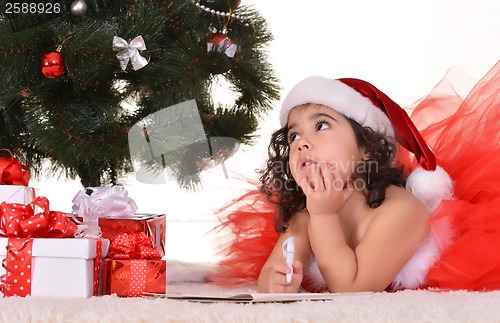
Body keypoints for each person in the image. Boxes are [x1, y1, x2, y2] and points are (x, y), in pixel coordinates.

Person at [210, 61, 500, 293]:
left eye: (321, 126)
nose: (301, 142)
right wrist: (275, 281)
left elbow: (351, 287)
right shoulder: (306, 210)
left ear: (367, 149)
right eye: (293, 135)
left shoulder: (402, 210)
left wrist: (324, 215)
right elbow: (276, 268)